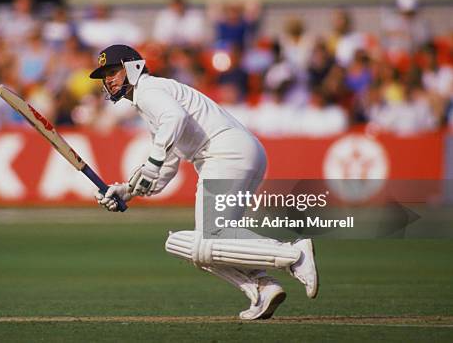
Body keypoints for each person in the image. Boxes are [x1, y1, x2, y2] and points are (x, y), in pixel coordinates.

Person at [88, 44, 319, 320]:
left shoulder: (149, 89)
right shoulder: (149, 103)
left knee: (209, 239)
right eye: (105, 75)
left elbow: (175, 119)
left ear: (133, 67)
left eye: (113, 71)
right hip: (238, 153)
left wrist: (152, 163)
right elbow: (166, 169)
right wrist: (126, 191)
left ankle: (293, 255)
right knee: (203, 247)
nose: (108, 80)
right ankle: (261, 286)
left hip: (225, 153)